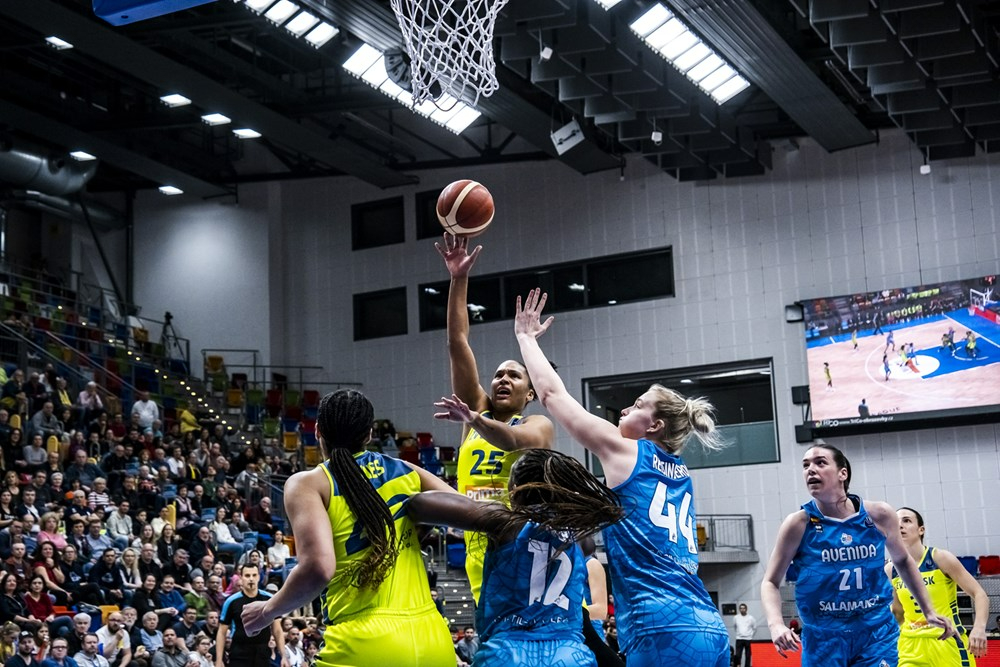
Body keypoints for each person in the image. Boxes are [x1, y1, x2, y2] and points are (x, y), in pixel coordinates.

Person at [513, 288, 730, 666]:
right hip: (708, 623)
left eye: (638, 405)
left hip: (661, 627)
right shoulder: (681, 473)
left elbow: (551, 396)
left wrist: (525, 338)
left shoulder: (627, 451)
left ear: (654, 426)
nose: (626, 408)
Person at [239, 389, 455, 667]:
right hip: (434, 641)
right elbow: (465, 509)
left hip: (363, 645)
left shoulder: (309, 483)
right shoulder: (405, 470)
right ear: (369, 434)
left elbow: (319, 568)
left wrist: (266, 611)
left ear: (317, 431)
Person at [408, 449, 623, 667]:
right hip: (569, 655)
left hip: (508, 652)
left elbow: (419, 504)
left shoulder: (505, 522)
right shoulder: (581, 538)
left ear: (514, 489)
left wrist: (408, 471)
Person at [434, 235, 554, 604]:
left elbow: (511, 440)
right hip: (477, 540)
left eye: (514, 376)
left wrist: (474, 420)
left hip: (520, 536)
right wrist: (458, 278)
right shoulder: (477, 410)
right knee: (491, 629)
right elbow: (457, 342)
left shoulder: (538, 425)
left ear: (529, 394)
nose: (503, 379)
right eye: (498, 374)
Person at [760, 443, 956, 665]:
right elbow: (770, 582)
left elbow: (902, 560)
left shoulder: (879, 514)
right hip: (823, 640)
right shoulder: (797, 524)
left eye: (820, 463)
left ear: (842, 473)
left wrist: (928, 610)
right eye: (806, 465)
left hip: (876, 634)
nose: (811, 470)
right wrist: (776, 624)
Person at [889, 507, 989, 666]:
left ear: (921, 530)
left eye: (906, 521)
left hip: (947, 641)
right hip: (910, 645)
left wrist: (979, 628)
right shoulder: (891, 569)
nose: (900, 525)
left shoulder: (940, 558)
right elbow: (897, 612)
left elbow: (979, 594)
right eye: (895, 522)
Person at [217, 563, 283, 667]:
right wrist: (219, 660)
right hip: (239, 653)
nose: (251, 579)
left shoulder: (270, 599)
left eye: (254, 575)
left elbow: (277, 630)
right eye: (247, 576)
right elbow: (222, 632)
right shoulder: (231, 601)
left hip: (263, 653)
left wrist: (283, 656)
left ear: (259, 577)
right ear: (241, 578)